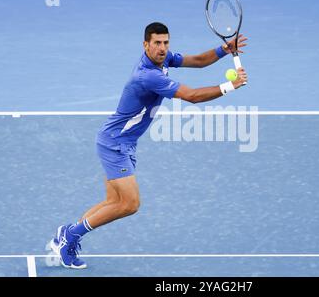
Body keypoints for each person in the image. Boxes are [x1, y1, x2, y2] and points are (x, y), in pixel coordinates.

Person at [49, 22, 248, 269]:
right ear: (146, 45)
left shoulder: (162, 61)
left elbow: (197, 60)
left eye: (165, 43)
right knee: (130, 204)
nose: (162, 48)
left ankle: (67, 234)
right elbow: (193, 96)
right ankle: (71, 235)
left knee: (113, 202)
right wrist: (230, 85)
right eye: (157, 43)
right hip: (115, 143)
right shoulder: (148, 75)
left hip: (124, 142)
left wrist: (223, 50)